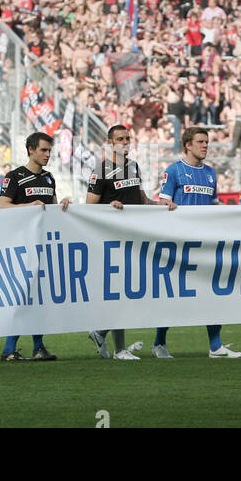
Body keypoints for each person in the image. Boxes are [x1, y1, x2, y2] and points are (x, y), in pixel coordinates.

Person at [153, 126, 240, 358]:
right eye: (200, 141)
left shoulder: (211, 173)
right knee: (175, 296)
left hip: (205, 242)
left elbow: (213, 206)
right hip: (181, 244)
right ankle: (159, 342)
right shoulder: (174, 171)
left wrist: (238, 211)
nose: (205, 145)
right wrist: (166, 205)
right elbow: (162, 202)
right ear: (188, 145)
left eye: (207, 142)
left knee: (213, 292)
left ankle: (215, 346)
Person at [84, 124, 169, 360]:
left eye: (127, 138)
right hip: (113, 237)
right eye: (120, 139)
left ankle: (101, 333)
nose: (125, 142)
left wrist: (157, 204)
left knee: (128, 291)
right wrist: (109, 207)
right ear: (109, 143)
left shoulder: (133, 166)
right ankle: (119, 349)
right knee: (120, 291)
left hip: (134, 235)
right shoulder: (100, 171)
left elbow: (140, 199)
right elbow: (90, 207)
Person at [0, 131, 69, 362]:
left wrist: (64, 205)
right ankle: (9, 349)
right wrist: (29, 206)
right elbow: (2, 207)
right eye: (43, 150)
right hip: (21, 244)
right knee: (22, 295)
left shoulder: (49, 178)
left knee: (39, 296)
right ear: (31, 149)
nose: (48, 154)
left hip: (43, 243)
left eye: (50, 150)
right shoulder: (15, 176)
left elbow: (53, 210)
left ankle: (38, 347)